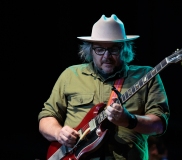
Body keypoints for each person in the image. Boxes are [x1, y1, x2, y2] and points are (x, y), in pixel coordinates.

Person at [38, 14, 170, 160]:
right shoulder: (70, 75)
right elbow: (47, 117)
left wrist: (129, 120)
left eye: (114, 49)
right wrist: (58, 133)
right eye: (99, 49)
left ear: (125, 49)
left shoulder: (147, 76)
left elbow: (159, 125)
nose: (106, 56)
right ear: (90, 50)